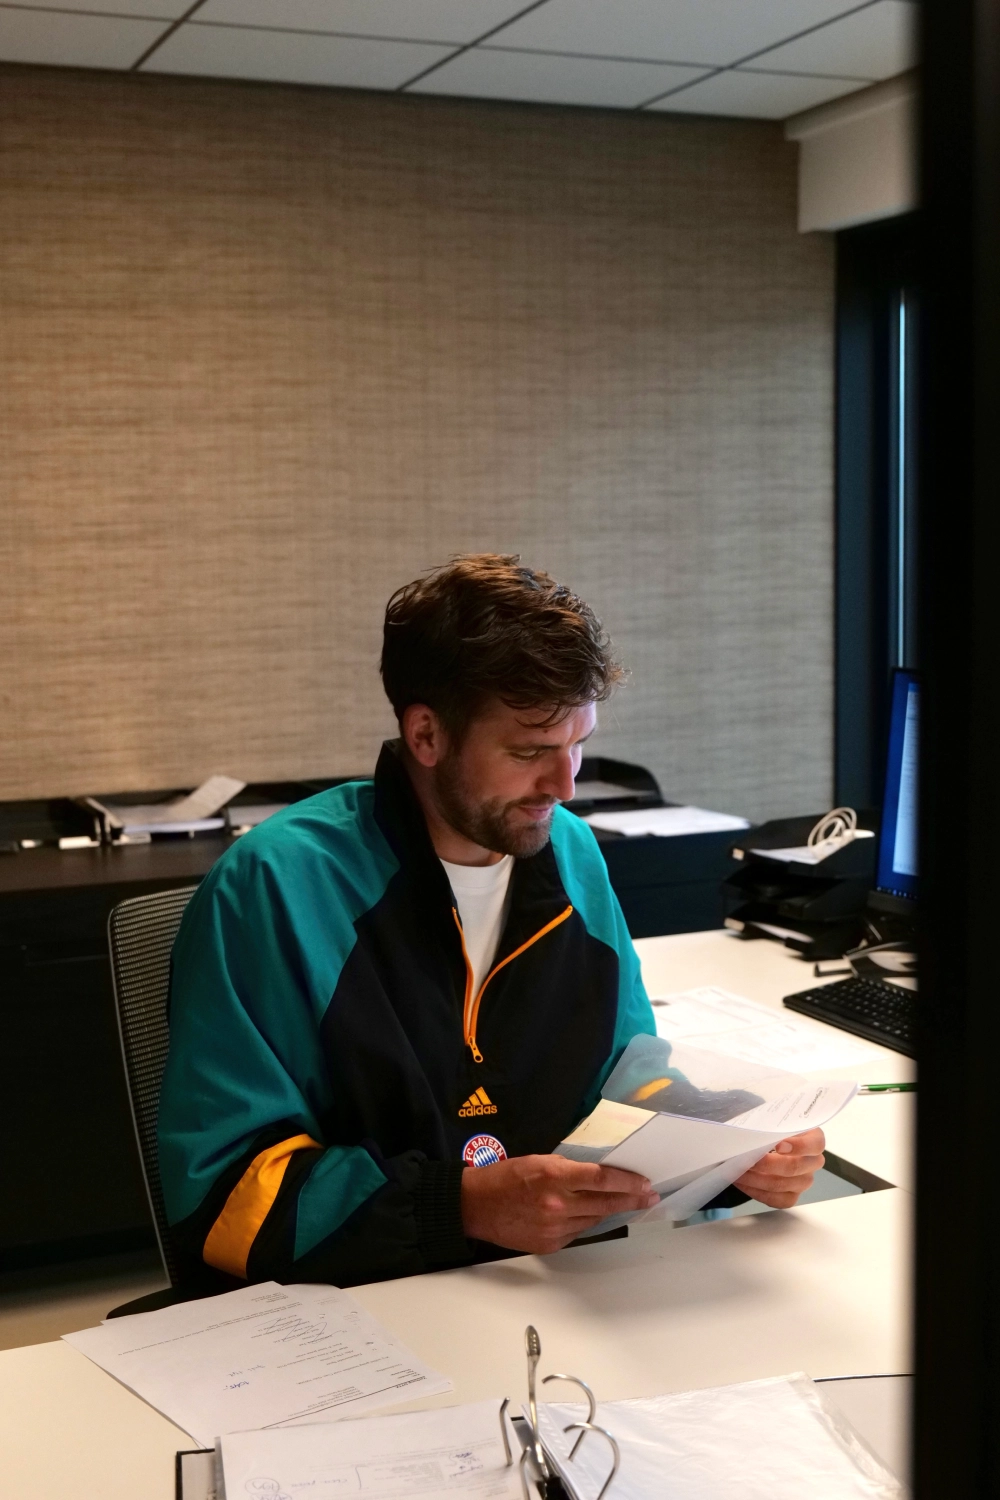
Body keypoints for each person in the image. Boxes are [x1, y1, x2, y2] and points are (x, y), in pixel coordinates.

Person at [158, 554, 824, 1290]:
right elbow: (222, 1191)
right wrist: (460, 1207)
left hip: (553, 1293)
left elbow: (626, 1076)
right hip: (363, 1307)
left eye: (578, 744)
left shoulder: (570, 854)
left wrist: (730, 1145)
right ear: (426, 736)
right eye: (530, 751)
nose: (565, 786)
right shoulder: (276, 887)